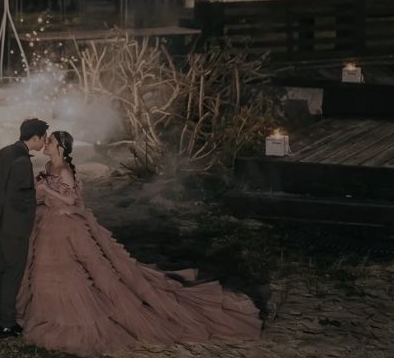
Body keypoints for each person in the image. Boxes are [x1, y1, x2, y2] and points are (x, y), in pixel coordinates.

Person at [17, 131, 264, 356]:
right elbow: (44, 192)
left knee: (83, 272)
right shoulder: (49, 165)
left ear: (60, 147)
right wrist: (37, 190)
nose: (46, 145)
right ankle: (53, 313)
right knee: (49, 272)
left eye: (49, 142)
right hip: (48, 222)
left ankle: (80, 316)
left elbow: (70, 200)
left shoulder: (65, 171)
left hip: (66, 224)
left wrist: (46, 190)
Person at [0, 117, 49, 338]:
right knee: (11, 274)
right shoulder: (22, 161)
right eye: (44, 138)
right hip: (13, 226)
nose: (44, 142)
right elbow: (16, 198)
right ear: (35, 137)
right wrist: (36, 190)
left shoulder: (5, 151)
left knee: (0, 271)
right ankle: (7, 324)